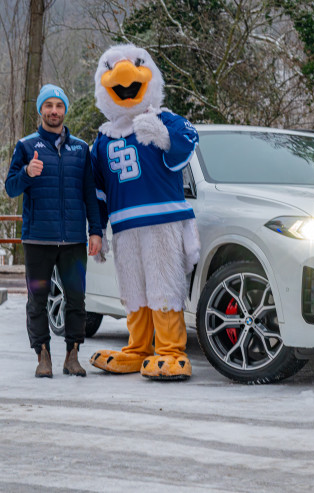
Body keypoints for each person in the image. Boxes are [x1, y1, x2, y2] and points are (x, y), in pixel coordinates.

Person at [87, 44, 200, 381]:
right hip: (124, 228)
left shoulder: (163, 119)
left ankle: (170, 351)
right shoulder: (103, 140)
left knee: (163, 284)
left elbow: (187, 143)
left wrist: (165, 137)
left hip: (161, 222)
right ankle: (137, 349)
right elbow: (97, 191)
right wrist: (97, 230)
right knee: (133, 288)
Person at [5, 84, 102, 378]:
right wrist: (26, 174)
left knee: (76, 299)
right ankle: (43, 356)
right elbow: (11, 188)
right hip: (38, 239)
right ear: (40, 111)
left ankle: (72, 355)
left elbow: (90, 193)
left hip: (73, 239)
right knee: (37, 299)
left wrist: (95, 231)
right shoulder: (26, 146)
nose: (54, 111)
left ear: (65, 110)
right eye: (48, 106)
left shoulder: (81, 149)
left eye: (59, 106)